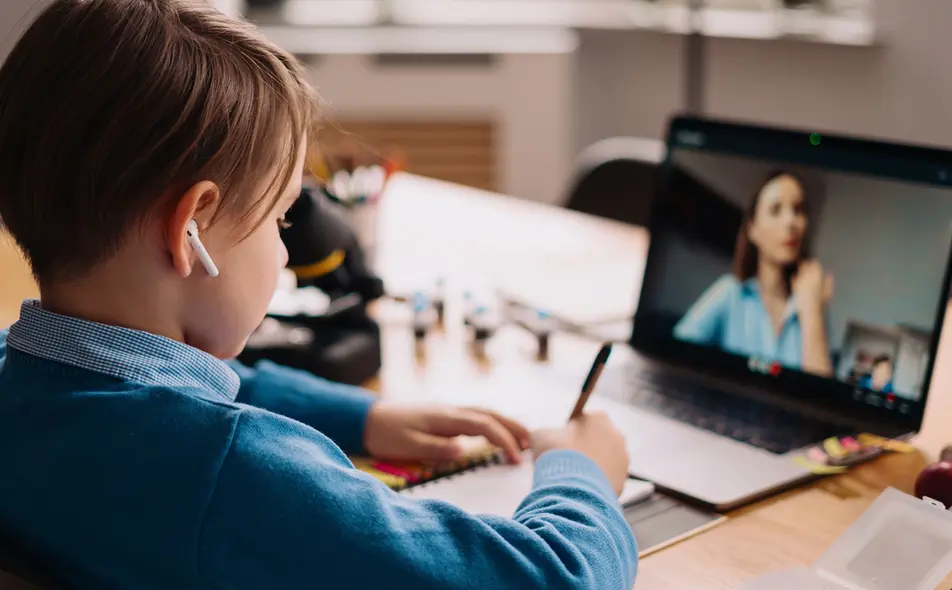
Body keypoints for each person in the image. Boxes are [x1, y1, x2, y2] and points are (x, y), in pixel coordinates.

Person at [0, 1, 637, 588]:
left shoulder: (22, 380)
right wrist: (580, 473)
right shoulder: (235, 474)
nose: (284, 251)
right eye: (280, 220)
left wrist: (363, 418)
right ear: (190, 228)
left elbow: (156, 390)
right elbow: (553, 580)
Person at [673, 171, 835, 377]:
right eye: (776, 210)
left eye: (798, 209)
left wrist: (812, 312)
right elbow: (673, 356)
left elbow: (821, 400)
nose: (790, 222)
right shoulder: (730, 293)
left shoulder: (813, 307)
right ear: (753, 229)